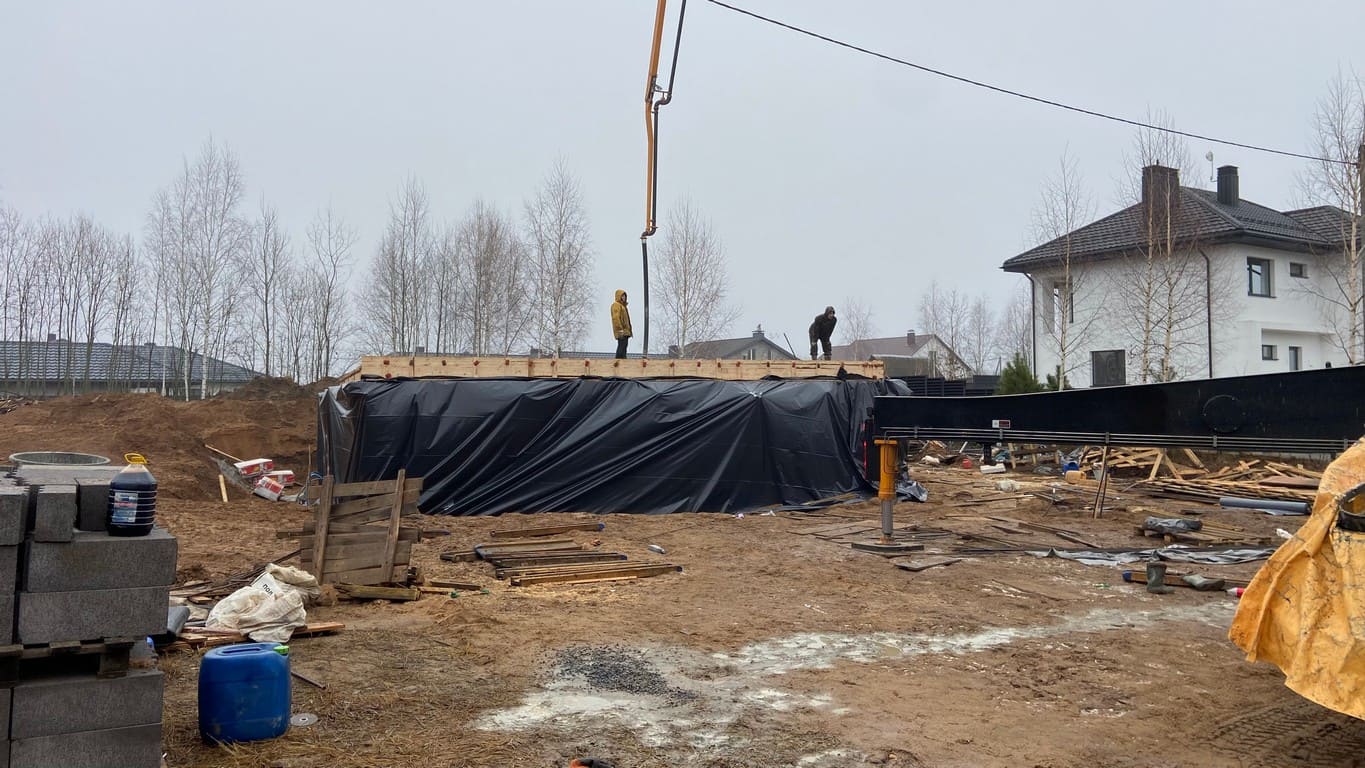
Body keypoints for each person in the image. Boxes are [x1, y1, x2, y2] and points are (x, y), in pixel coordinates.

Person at [611, 289, 632, 359]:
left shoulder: (623, 306)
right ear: (618, 296)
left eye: (624, 296)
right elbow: (615, 318)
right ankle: (618, 360)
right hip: (621, 330)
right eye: (622, 296)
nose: (624, 297)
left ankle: (623, 360)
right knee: (621, 346)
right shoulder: (616, 305)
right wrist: (620, 329)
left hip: (625, 331)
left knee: (624, 347)